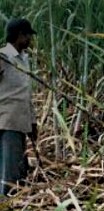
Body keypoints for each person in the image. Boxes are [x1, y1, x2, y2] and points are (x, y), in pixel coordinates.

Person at [0, 18, 38, 195]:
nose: (30, 39)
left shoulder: (23, 60)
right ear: (20, 35)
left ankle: (15, 204)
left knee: (19, 168)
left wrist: (32, 122)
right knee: (9, 171)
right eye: (28, 35)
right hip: (7, 122)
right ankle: (6, 207)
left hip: (21, 123)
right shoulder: (3, 57)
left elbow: (26, 95)